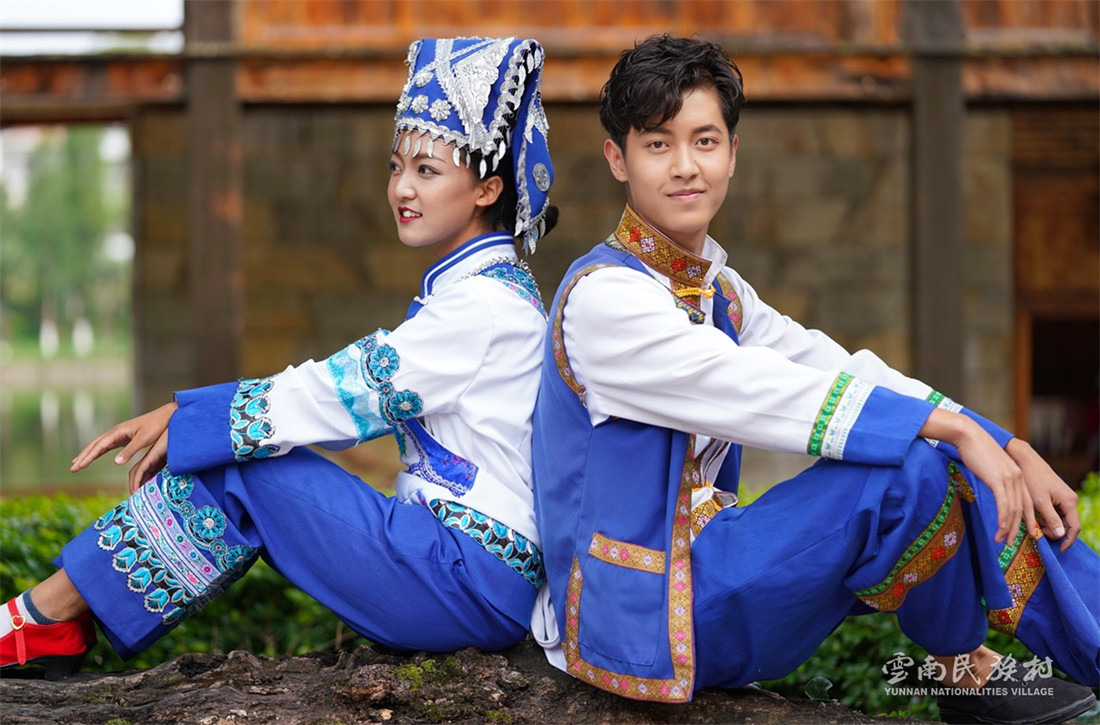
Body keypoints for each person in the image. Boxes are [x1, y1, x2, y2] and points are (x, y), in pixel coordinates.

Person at [529, 34, 1098, 723]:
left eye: (705, 142)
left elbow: (834, 367)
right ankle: (970, 671)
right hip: (640, 616)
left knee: (935, 462)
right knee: (911, 465)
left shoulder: (721, 293)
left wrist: (1006, 443)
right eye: (657, 144)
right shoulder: (602, 299)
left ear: (733, 155)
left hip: (714, 572)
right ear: (617, 158)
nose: (685, 167)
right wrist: (954, 430)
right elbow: (757, 387)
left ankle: (974, 667)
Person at [2, 35, 559, 680]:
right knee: (238, 457)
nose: (402, 188)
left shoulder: (482, 307)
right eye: (395, 166)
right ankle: (49, 622)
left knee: (243, 468)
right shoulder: (483, 291)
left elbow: (346, 392)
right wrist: (201, 422)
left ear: (487, 189)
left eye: (427, 171)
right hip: (460, 568)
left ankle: (43, 621)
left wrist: (190, 418)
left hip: (467, 577)